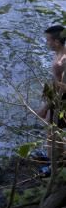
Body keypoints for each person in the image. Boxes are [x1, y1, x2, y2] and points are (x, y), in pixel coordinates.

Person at [36, 25, 66, 172]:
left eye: (48, 40)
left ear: (56, 42)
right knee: (53, 130)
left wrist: (46, 107)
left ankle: (54, 165)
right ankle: (53, 157)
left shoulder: (60, 63)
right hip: (57, 97)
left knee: (53, 131)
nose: (46, 43)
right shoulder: (62, 54)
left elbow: (61, 88)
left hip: (60, 101)